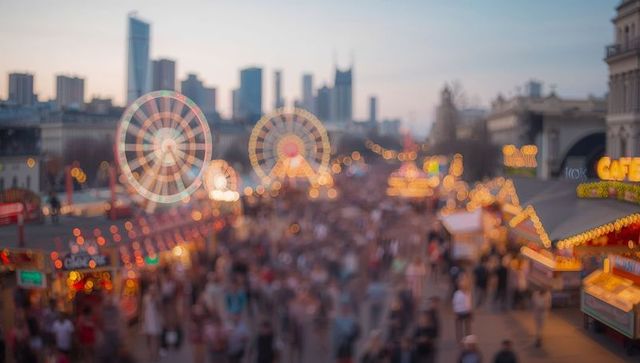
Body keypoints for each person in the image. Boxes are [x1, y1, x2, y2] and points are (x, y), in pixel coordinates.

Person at [142, 285, 162, 362]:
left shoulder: (157, 299)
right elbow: (143, 310)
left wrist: (156, 301)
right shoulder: (146, 298)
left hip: (155, 321)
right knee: (149, 338)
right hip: (148, 320)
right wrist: (142, 321)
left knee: (155, 338)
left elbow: (160, 309)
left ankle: (155, 354)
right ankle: (150, 353)